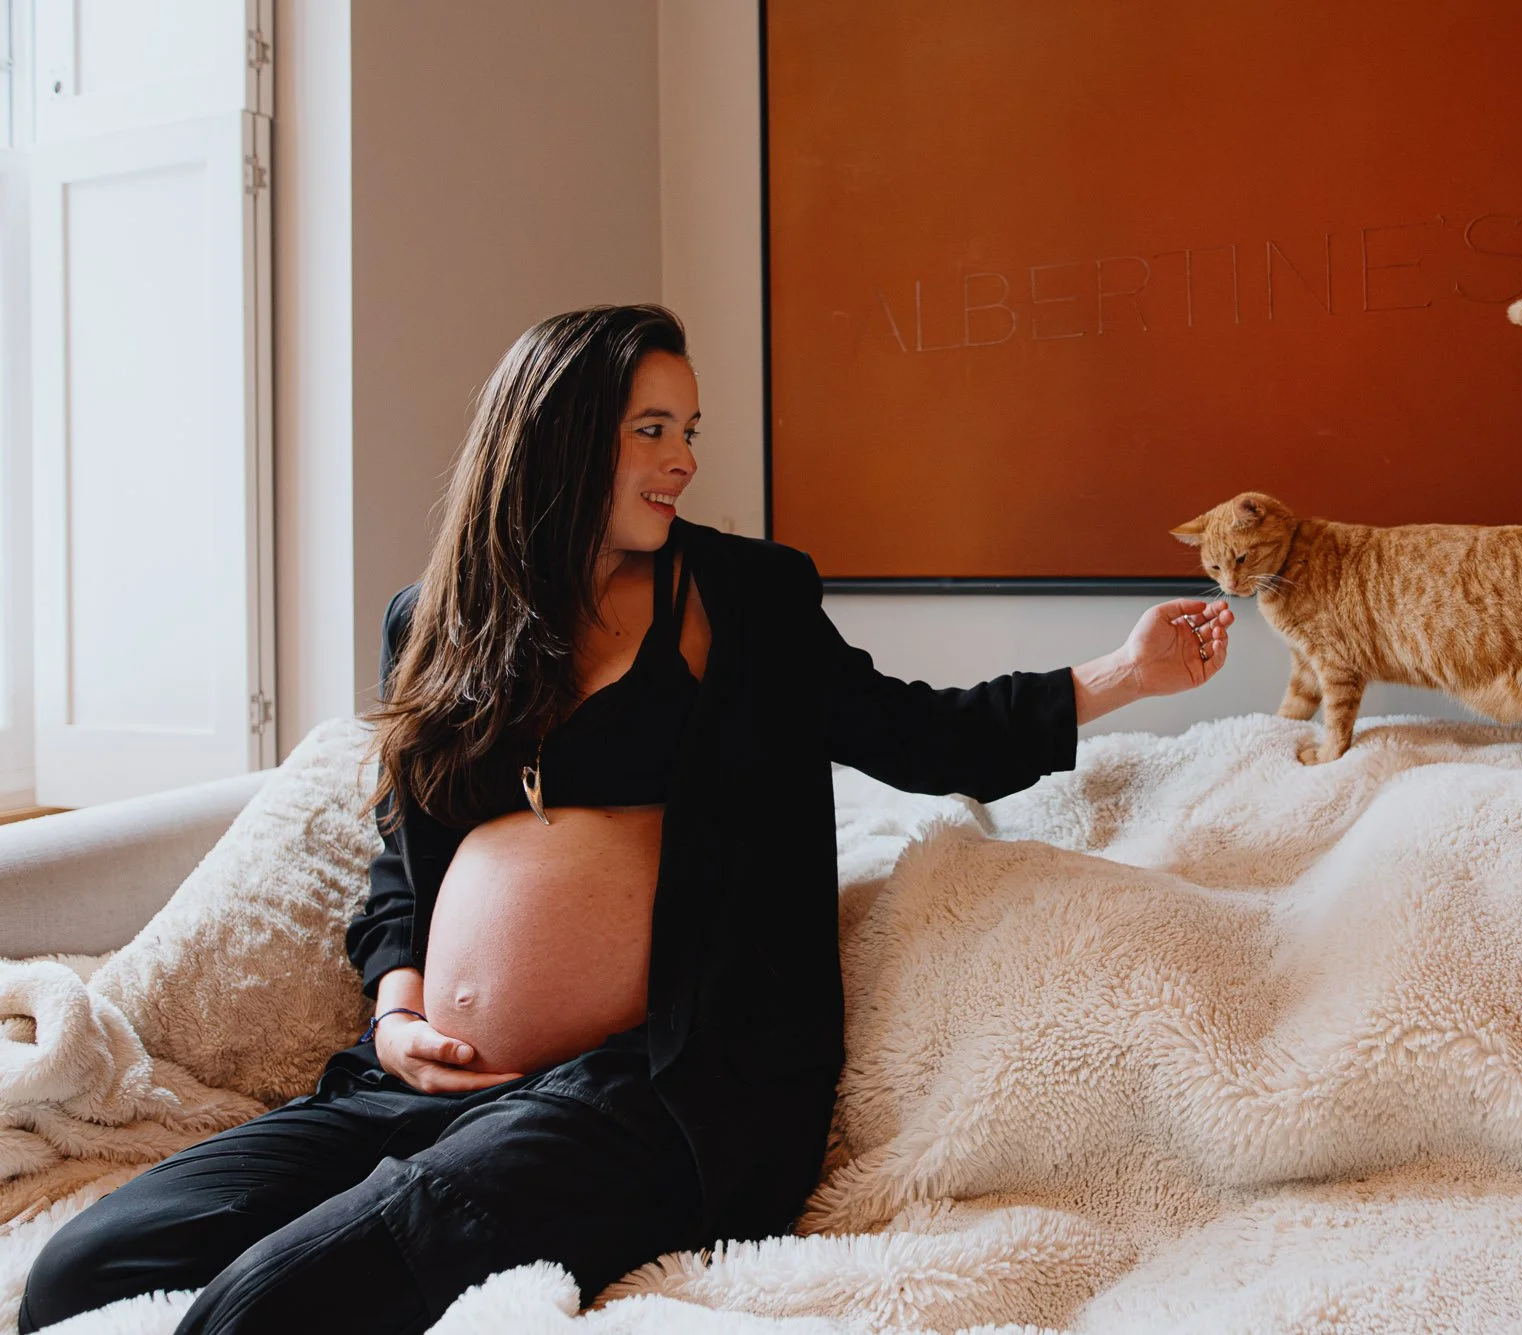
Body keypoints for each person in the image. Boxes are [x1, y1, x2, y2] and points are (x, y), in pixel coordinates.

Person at [20, 304, 1234, 1333]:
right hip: (416, 1086)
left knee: (264, 1307)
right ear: (553, 442)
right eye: (651, 429)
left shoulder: (745, 598)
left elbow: (915, 735)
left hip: (656, 1096)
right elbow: (404, 861)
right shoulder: (434, 619)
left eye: (686, 431)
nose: (683, 458)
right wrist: (395, 1011)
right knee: (83, 1270)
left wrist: (1117, 674)